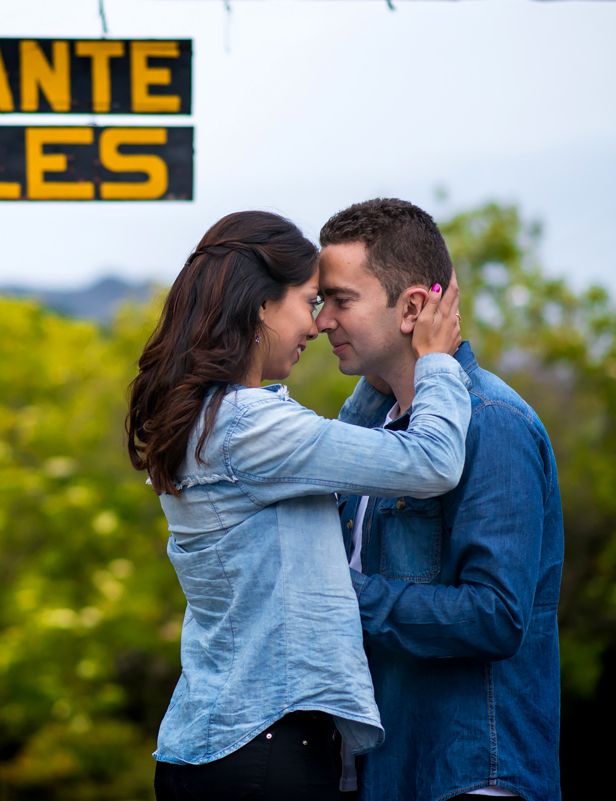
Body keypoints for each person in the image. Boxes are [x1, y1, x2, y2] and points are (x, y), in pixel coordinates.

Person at [127, 210, 470, 801]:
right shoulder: (249, 425)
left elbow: (337, 446)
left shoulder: (207, 419)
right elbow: (430, 461)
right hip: (267, 746)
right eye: (309, 302)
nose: (317, 325)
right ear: (261, 306)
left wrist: (381, 360)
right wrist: (434, 358)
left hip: (211, 744)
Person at [316, 198, 563, 801]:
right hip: (396, 770)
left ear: (414, 308)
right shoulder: (388, 432)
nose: (323, 320)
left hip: (471, 774)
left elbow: (495, 615)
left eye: (341, 300)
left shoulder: (492, 423)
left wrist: (333, 595)